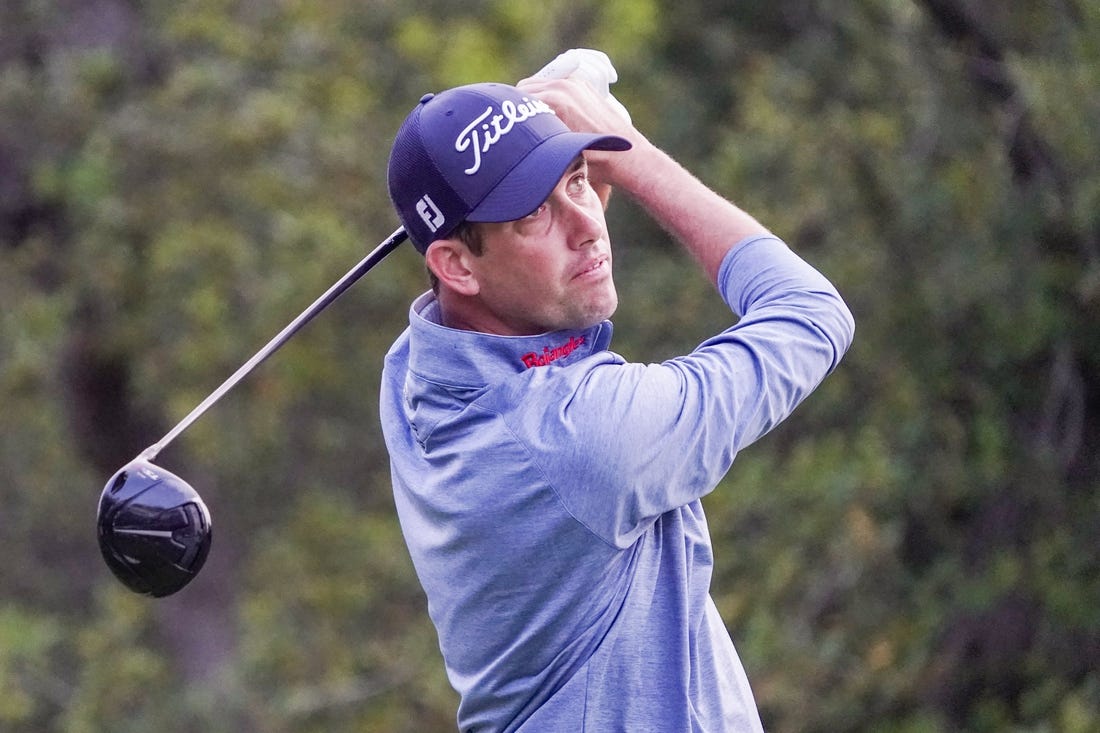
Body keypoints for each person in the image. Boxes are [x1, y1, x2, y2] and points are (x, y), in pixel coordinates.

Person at [380, 69, 855, 732]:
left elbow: (536, 309)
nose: (588, 227)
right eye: (533, 214)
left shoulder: (415, 372)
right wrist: (632, 152)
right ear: (456, 265)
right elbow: (810, 313)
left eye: (577, 180)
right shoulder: (584, 438)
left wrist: (554, 133)